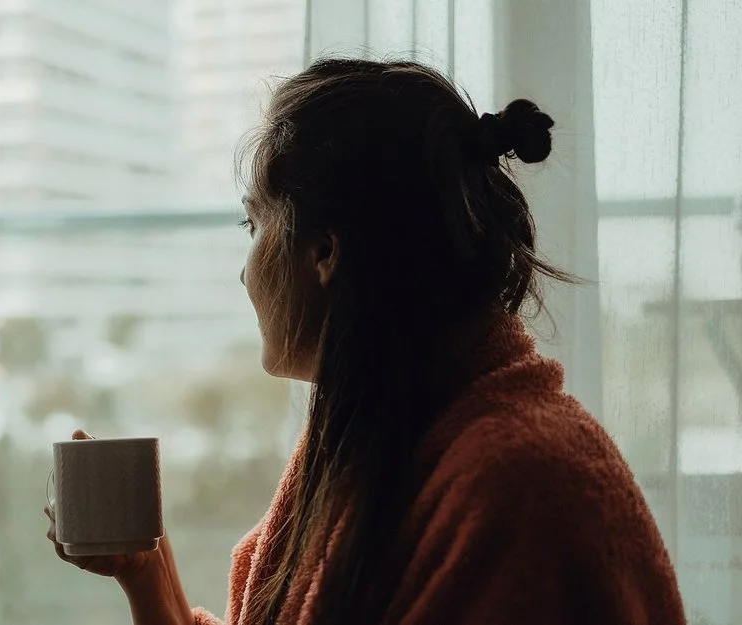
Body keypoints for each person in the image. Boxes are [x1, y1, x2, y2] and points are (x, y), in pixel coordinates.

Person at [44, 58, 686, 625]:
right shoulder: (388, 432)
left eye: (255, 226)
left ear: (324, 250)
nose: (245, 272)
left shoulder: (516, 484)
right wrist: (147, 573)